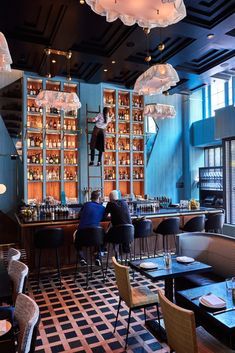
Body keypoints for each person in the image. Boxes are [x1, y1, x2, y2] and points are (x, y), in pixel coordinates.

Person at [75, 190, 105, 266]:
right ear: (99, 198)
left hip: (82, 235)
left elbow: (79, 216)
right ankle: (97, 257)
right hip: (95, 237)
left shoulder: (86, 205)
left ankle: (82, 258)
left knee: (75, 237)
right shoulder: (102, 208)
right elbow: (104, 217)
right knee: (100, 235)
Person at [104, 190, 132, 256]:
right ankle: (124, 256)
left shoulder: (110, 204)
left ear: (110, 198)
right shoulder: (125, 203)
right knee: (111, 227)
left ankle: (103, 250)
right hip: (129, 232)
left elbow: (104, 216)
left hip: (118, 232)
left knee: (105, 235)